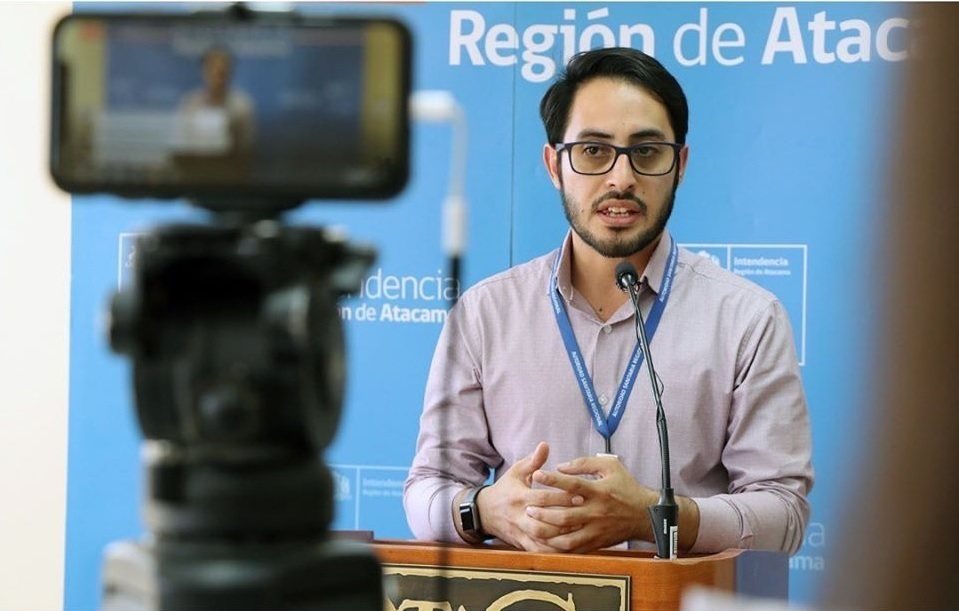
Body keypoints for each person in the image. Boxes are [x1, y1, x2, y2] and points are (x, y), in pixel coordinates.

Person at [403, 47, 813, 555]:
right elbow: (428, 487)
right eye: (594, 151)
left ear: (680, 165)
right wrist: (484, 509)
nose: (621, 179)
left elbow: (784, 516)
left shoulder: (748, 319)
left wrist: (651, 517)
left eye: (647, 152)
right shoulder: (485, 314)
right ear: (554, 164)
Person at [174, 46, 255, 179]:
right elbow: (180, 144)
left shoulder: (242, 105)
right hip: (193, 175)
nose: (217, 74)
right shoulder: (190, 103)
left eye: (223, 70)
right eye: (212, 68)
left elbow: (246, 150)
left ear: (230, 72)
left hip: (228, 175)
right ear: (204, 71)